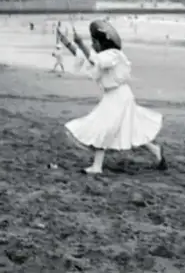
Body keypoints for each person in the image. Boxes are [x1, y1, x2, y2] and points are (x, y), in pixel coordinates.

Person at [64, 20, 167, 175]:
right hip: (116, 95)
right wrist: (67, 43)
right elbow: (85, 57)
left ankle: (97, 166)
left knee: (103, 126)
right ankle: (156, 151)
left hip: (119, 96)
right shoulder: (103, 55)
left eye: (95, 42)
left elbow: (93, 60)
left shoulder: (114, 55)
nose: (93, 45)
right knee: (132, 129)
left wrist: (80, 42)